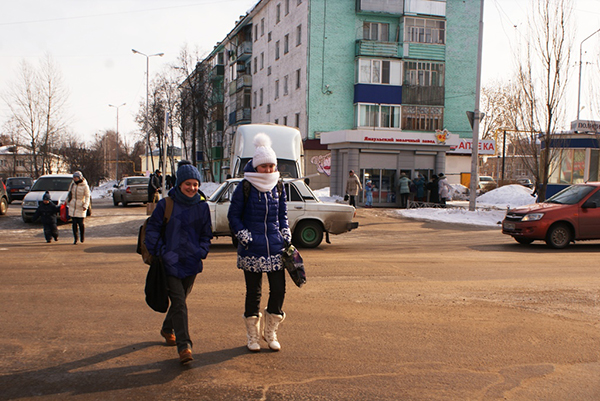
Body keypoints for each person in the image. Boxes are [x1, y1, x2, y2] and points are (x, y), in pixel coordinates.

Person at [228, 133, 291, 352]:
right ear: (256, 167)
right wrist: (244, 236)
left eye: (271, 166)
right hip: (251, 248)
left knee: (279, 290)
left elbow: (282, 214)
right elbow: (233, 216)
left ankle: (270, 332)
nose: (268, 170)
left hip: (275, 246)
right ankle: (252, 336)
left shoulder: (279, 187)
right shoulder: (244, 187)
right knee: (253, 292)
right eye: (263, 166)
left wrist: (285, 232)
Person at [144, 163, 212, 364]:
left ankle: (167, 329)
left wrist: (202, 251)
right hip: (170, 263)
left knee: (180, 301)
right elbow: (153, 230)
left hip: (192, 262)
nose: (192, 188)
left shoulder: (202, 207)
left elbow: (206, 234)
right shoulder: (167, 204)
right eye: (187, 184)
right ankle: (185, 347)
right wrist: (162, 253)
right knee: (180, 303)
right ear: (180, 184)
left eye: (195, 184)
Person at [68, 171, 91, 245]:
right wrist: (66, 202)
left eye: (76, 177)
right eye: (74, 177)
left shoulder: (85, 186)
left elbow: (87, 197)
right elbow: (69, 194)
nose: (74, 179)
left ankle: (82, 236)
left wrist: (85, 205)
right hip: (73, 206)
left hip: (81, 206)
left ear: (79, 177)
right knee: (74, 223)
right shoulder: (72, 185)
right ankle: (75, 238)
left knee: (80, 223)